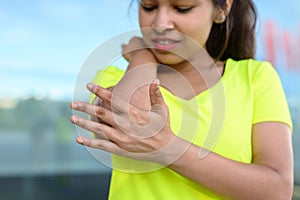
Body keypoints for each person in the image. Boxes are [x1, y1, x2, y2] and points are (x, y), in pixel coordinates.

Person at [70, 0, 294, 199]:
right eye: (149, 6)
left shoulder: (255, 77)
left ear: (222, 9)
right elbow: (127, 124)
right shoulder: (112, 79)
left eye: (182, 8)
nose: (161, 23)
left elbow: (277, 190)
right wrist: (142, 57)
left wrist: (168, 148)